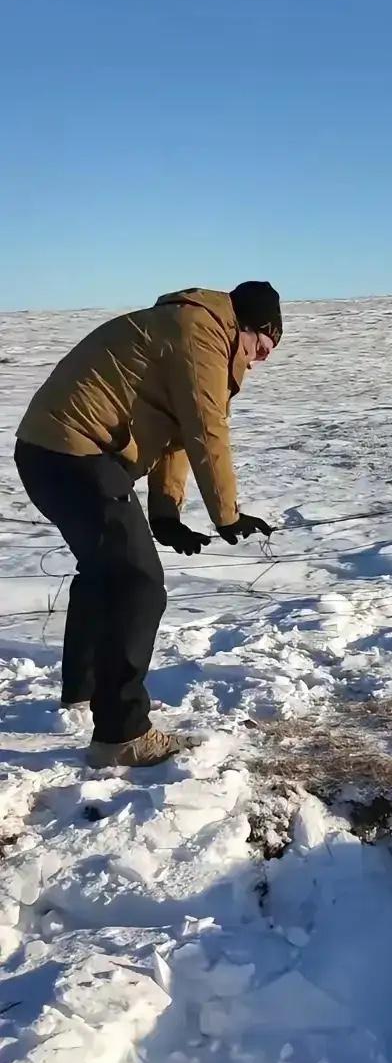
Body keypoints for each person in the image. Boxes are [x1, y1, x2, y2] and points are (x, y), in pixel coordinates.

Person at [14, 282, 282, 768]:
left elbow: (177, 434)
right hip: (72, 452)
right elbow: (205, 426)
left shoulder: (189, 328)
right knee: (138, 582)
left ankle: (85, 692)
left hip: (52, 452)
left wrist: (166, 513)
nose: (262, 359)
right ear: (252, 326)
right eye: (264, 345)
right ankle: (122, 733)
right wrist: (228, 514)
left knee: (106, 572)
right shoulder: (199, 331)